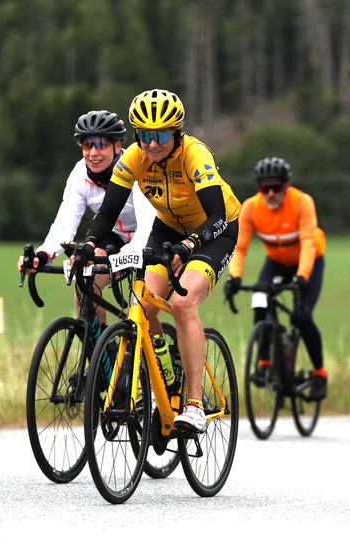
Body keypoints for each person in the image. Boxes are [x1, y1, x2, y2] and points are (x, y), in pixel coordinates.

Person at [73, 89, 240, 433]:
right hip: (167, 228)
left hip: (212, 233)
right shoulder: (134, 157)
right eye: (144, 135)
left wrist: (190, 245)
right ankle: (161, 378)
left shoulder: (195, 155)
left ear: (177, 133)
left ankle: (193, 404)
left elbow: (218, 216)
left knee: (182, 303)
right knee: (143, 308)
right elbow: (108, 212)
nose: (152, 144)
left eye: (160, 135)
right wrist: (89, 242)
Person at [18, 110, 154, 327]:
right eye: (86, 145)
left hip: (152, 237)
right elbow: (65, 223)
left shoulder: (138, 166)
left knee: (137, 314)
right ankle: (101, 355)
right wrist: (43, 255)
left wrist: (124, 260)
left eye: (100, 144)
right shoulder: (79, 175)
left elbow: (147, 226)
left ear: (117, 146)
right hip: (115, 237)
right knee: (85, 281)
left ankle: (157, 356)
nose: (92, 153)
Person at [224, 157, 328, 400]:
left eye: (276, 188)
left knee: (301, 316)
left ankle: (320, 373)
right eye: (264, 188)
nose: (270, 193)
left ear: (286, 186)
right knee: (260, 300)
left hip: (308, 260)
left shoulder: (302, 202)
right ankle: (263, 362)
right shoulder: (250, 208)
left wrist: (302, 276)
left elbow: (309, 243)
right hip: (276, 262)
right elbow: (240, 248)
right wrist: (234, 277)